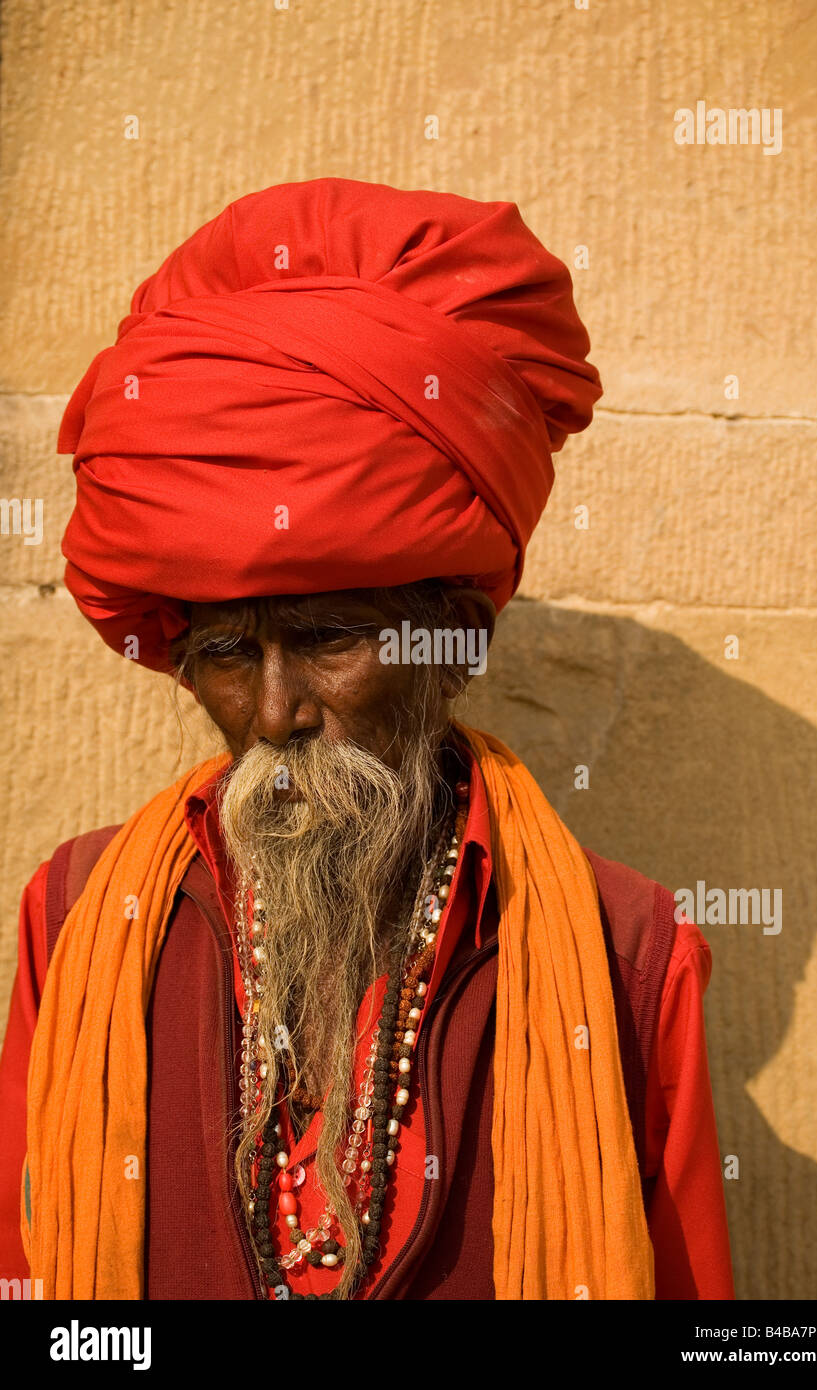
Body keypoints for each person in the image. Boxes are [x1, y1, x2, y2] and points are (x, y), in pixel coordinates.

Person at [0, 177, 734, 1301]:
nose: (278, 711)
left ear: (453, 633)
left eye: (330, 638)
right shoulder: (79, 919)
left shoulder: (628, 956)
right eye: (228, 653)